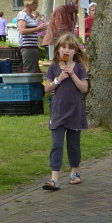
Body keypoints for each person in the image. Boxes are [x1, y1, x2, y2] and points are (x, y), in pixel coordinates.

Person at [41, 33, 89, 190]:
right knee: (57, 144)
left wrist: (73, 74)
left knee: (74, 145)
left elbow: (84, 88)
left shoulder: (80, 68)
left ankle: (75, 172)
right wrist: (59, 78)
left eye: (70, 47)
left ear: (75, 51)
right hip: (58, 112)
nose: (66, 50)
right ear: (58, 50)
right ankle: (54, 178)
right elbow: (47, 88)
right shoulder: (54, 67)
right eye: (63, 47)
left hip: (75, 111)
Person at [16, 0, 47, 74]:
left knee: (34, 70)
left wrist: (43, 28)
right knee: (29, 70)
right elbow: (22, 30)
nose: (37, 5)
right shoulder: (22, 15)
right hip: (27, 47)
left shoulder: (31, 16)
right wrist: (38, 28)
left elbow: (32, 30)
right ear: (28, 4)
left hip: (33, 46)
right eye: (35, 3)